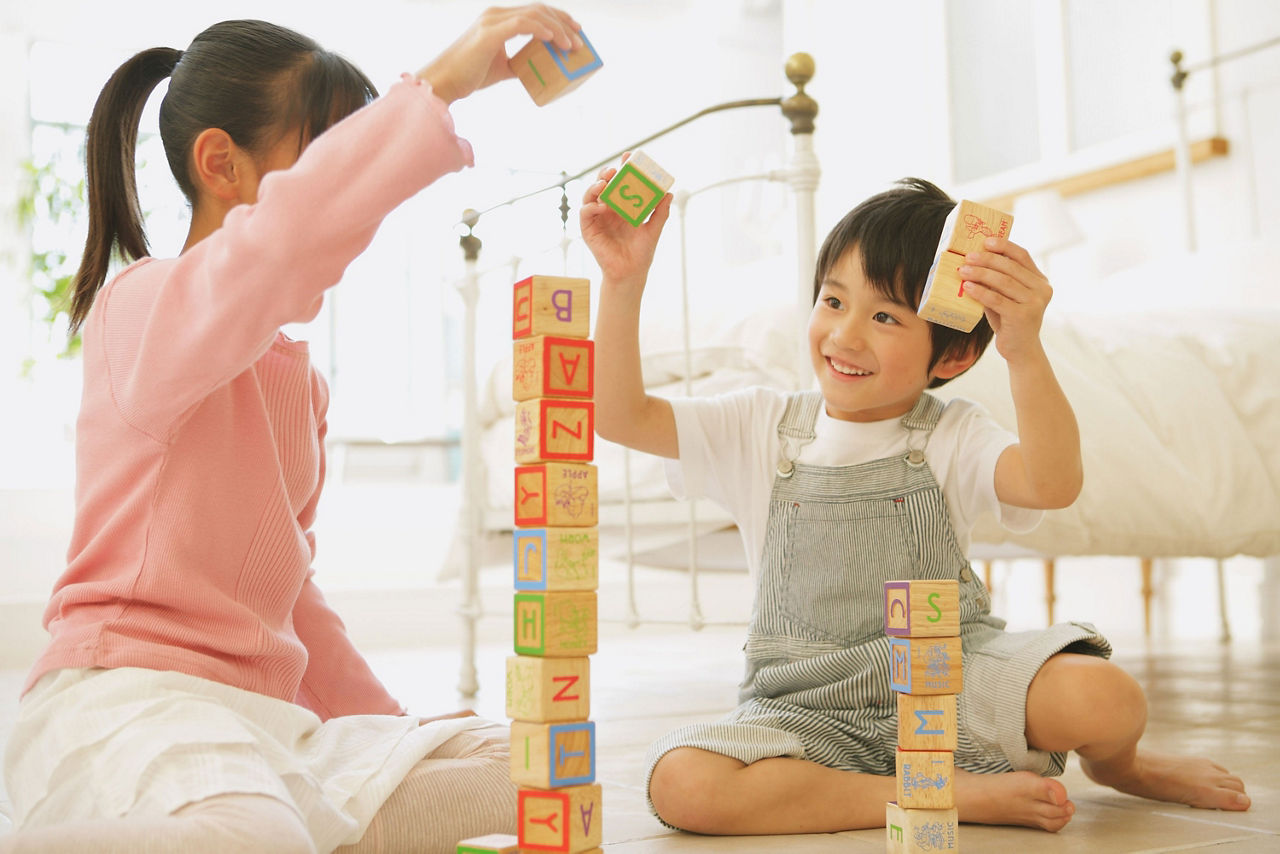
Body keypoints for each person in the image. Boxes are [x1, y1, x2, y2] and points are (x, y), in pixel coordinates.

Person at [1, 7, 585, 854]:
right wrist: (446, 82)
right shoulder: (142, 308)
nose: (353, 210)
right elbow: (282, 240)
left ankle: (298, 825)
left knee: (542, 764)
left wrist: (395, 730)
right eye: (329, 166)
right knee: (252, 831)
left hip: (264, 722)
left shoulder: (296, 379)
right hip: (131, 701)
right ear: (219, 164)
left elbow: (288, 597)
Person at [580, 172, 1251, 835]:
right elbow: (618, 415)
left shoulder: (952, 432)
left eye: (883, 317)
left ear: (952, 355)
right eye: (833, 301)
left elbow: (1052, 484)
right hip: (806, 705)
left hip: (952, 682)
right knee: (682, 782)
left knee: (1107, 698)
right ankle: (925, 792)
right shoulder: (757, 424)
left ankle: (1121, 769)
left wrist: (1024, 350)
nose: (843, 336)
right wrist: (622, 280)